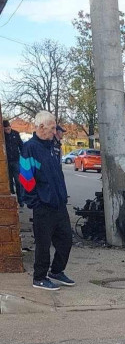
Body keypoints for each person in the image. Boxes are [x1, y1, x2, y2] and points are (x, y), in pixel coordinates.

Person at [20, 111, 75, 291]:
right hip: (42, 205)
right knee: (43, 244)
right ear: (41, 127)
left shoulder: (53, 146)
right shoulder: (30, 148)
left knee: (66, 239)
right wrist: (35, 201)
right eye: (52, 128)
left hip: (58, 203)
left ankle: (56, 271)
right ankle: (39, 277)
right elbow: (26, 178)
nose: (54, 131)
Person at [3, 119, 24, 206]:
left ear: (10, 127)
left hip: (15, 160)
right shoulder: (3, 136)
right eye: (5, 129)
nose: (7, 131)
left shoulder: (16, 134)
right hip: (7, 162)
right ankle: (12, 198)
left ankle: (20, 200)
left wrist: (24, 155)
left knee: (18, 181)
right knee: (9, 182)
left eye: (8, 129)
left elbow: (21, 145)